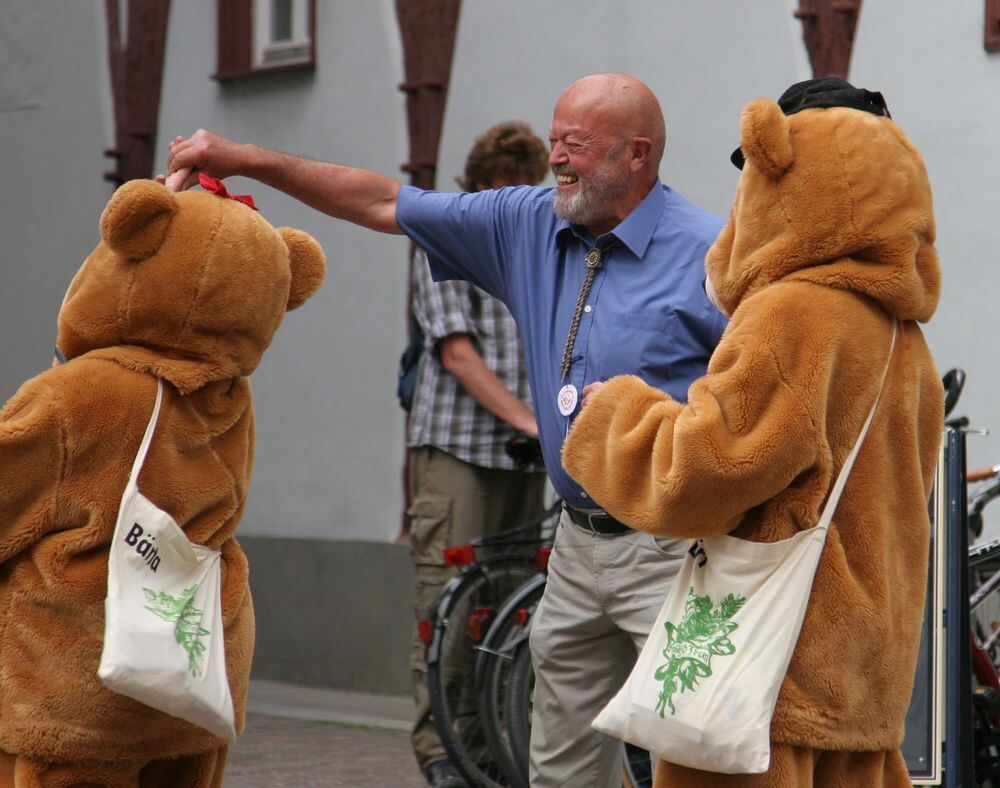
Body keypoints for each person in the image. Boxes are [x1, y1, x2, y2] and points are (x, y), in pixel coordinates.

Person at [163, 72, 727, 787]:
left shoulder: (711, 254)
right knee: (560, 766)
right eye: (553, 140)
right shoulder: (528, 221)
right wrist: (245, 160)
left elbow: (764, 396)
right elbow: (378, 200)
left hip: (674, 548)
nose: (556, 158)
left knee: (694, 755)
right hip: (580, 546)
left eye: (574, 146)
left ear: (638, 155)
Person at [562, 78, 943, 786]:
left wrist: (614, 416)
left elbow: (705, 474)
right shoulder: (903, 339)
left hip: (767, 678)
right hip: (863, 675)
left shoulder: (793, 316)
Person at [406, 121, 550, 788]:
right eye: (507, 189)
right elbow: (457, 352)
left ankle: (490, 750)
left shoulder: (536, 246)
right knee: (449, 609)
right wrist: (528, 418)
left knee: (512, 607)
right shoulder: (444, 238)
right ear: (482, 186)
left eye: (530, 189)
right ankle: (442, 755)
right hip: (459, 451)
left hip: (525, 456)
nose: (518, 202)